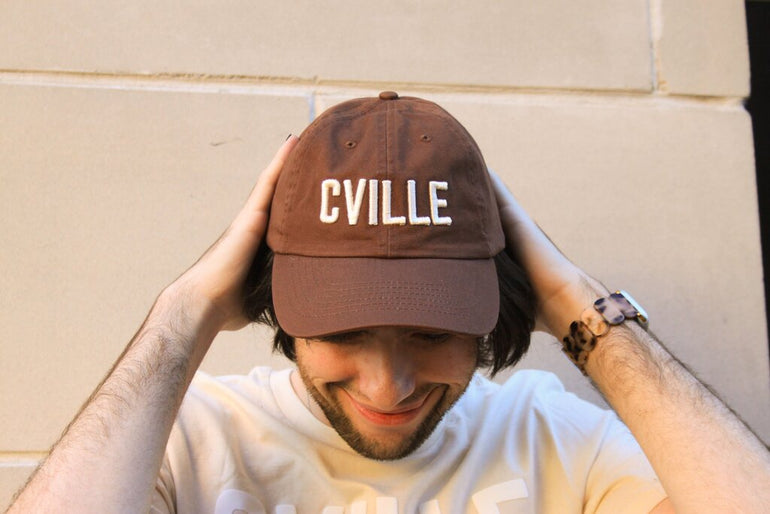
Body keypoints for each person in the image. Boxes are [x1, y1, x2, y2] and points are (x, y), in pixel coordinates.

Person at [7, 92, 770, 514]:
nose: (388, 385)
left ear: (493, 311)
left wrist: (580, 305)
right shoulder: (193, 442)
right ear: (277, 304)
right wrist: (184, 314)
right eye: (343, 329)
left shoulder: (556, 440)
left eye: (431, 332)